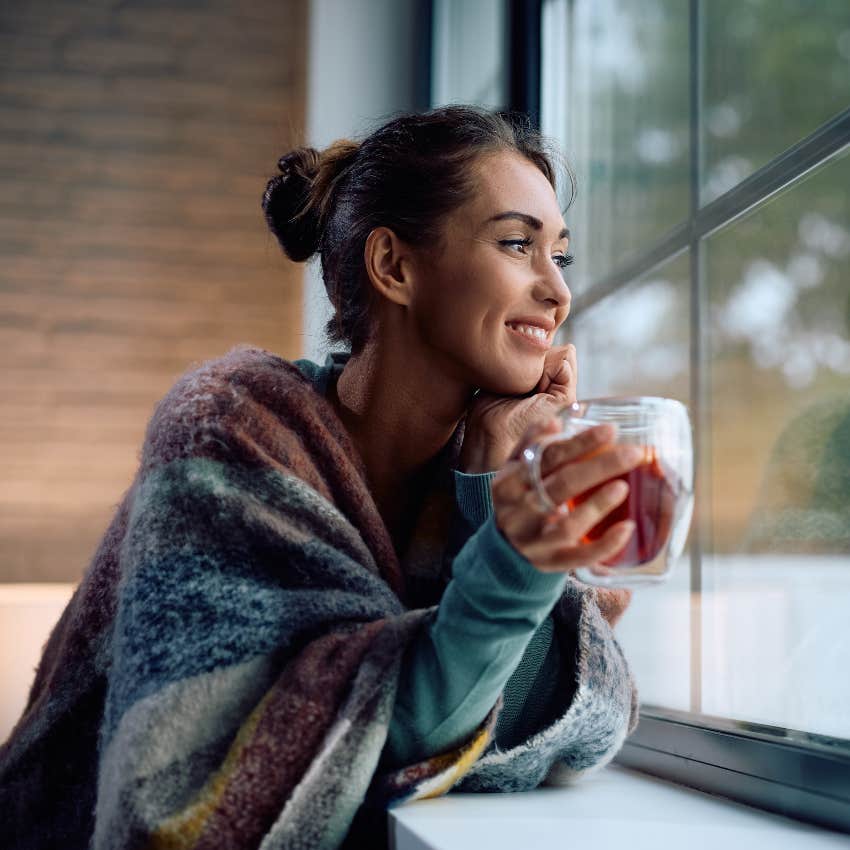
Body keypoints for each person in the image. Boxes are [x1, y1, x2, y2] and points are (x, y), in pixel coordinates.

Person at [0, 105, 643, 850]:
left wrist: (487, 480)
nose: (557, 292)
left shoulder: (490, 460)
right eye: (515, 244)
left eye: (558, 255)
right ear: (394, 266)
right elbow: (354, 741)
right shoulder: (230, 430)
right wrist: (508, 561)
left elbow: (570, 715)